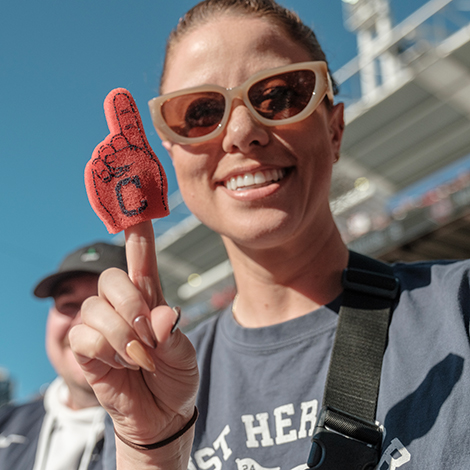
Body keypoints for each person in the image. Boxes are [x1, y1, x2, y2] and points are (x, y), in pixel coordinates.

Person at [69, 1, 470, 469]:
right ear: (172, 158)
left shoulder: (458, 310)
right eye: (199, 112)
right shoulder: (148, 378)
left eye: (280, 95)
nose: (241, 131)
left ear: (335, 130)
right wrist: (152, 448)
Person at [0, 241, 129, 470]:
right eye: (68, 304)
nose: (83, 321)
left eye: (107, 303)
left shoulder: (193, 427)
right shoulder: (5, 424)